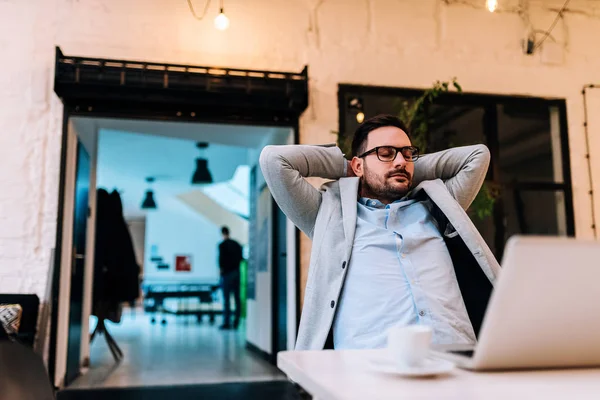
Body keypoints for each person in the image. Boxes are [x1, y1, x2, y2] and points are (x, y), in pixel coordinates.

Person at [259, 114, 501, 350]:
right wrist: (349, 169)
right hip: (371, 371)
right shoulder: (330, 216)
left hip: (456, 365)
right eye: (385, 153)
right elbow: (274, 160)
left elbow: (477, 155)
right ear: (358, 164)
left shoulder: (440, 207)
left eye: (408, 154)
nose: (400, 161)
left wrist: (405, 167)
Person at [218, 226, 243, 330]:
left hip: (227, 274)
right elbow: (241, 258)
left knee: (227, 299)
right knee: (237, 298)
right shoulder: (237, 244)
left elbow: (221, 260)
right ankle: (236, 321)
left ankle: (227, 322)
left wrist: (221, 271)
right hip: (236, 273)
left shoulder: (222, 245)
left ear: (222, 233)